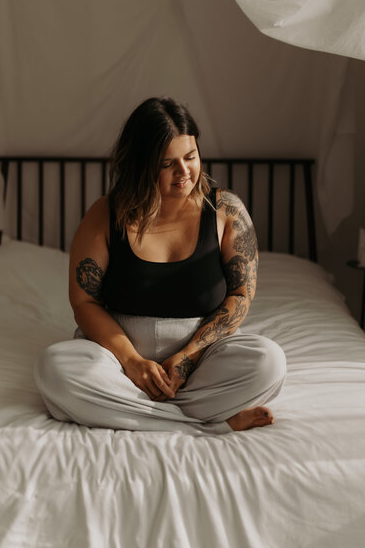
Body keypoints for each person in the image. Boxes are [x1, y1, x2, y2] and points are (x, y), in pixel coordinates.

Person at [34, 97, 286, 436]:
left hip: (202, 355)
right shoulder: (106, 214)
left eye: (190, 157)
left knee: (269, 362)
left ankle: (135, 412)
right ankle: (207, 425)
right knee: (53, 369)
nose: (183, 173)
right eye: (167, 164)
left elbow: (241, 294)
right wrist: (132, 362)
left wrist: (188, 357)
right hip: (120, 358)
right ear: (141, 165)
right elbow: (84, 302)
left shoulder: (226, 209)